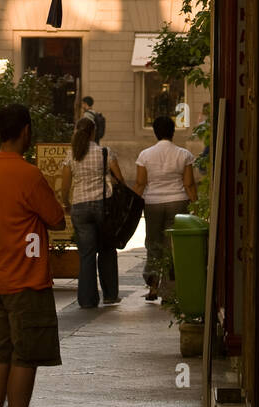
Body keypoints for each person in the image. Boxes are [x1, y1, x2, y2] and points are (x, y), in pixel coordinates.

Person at [0, 103, 66, 407]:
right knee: (25, 358)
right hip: (26, 281)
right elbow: (57, 218)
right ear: (26, 131)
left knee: (0, 354)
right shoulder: (28, 175)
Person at [134, 114, 197, 302]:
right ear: (173, 132)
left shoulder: (145, 155)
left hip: (152, 203)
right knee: (172, 246)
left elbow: (140, 183)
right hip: (178, 201)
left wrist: (134, 207)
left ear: (155, 132)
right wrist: (195, 204)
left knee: (153, 244)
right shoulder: (183, 154)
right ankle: (169, 292)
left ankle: (153, 287)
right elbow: (189, 184)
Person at [61, 117, 122, 308]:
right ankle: (110, 294)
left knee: (86, 255)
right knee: (106, 250)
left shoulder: (72, 154)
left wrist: (66, 203)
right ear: (94, 132)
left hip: (79, 206)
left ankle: (87, 300)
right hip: (102, 207)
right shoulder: (104, 152)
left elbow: (65, 184)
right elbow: (119, 178)